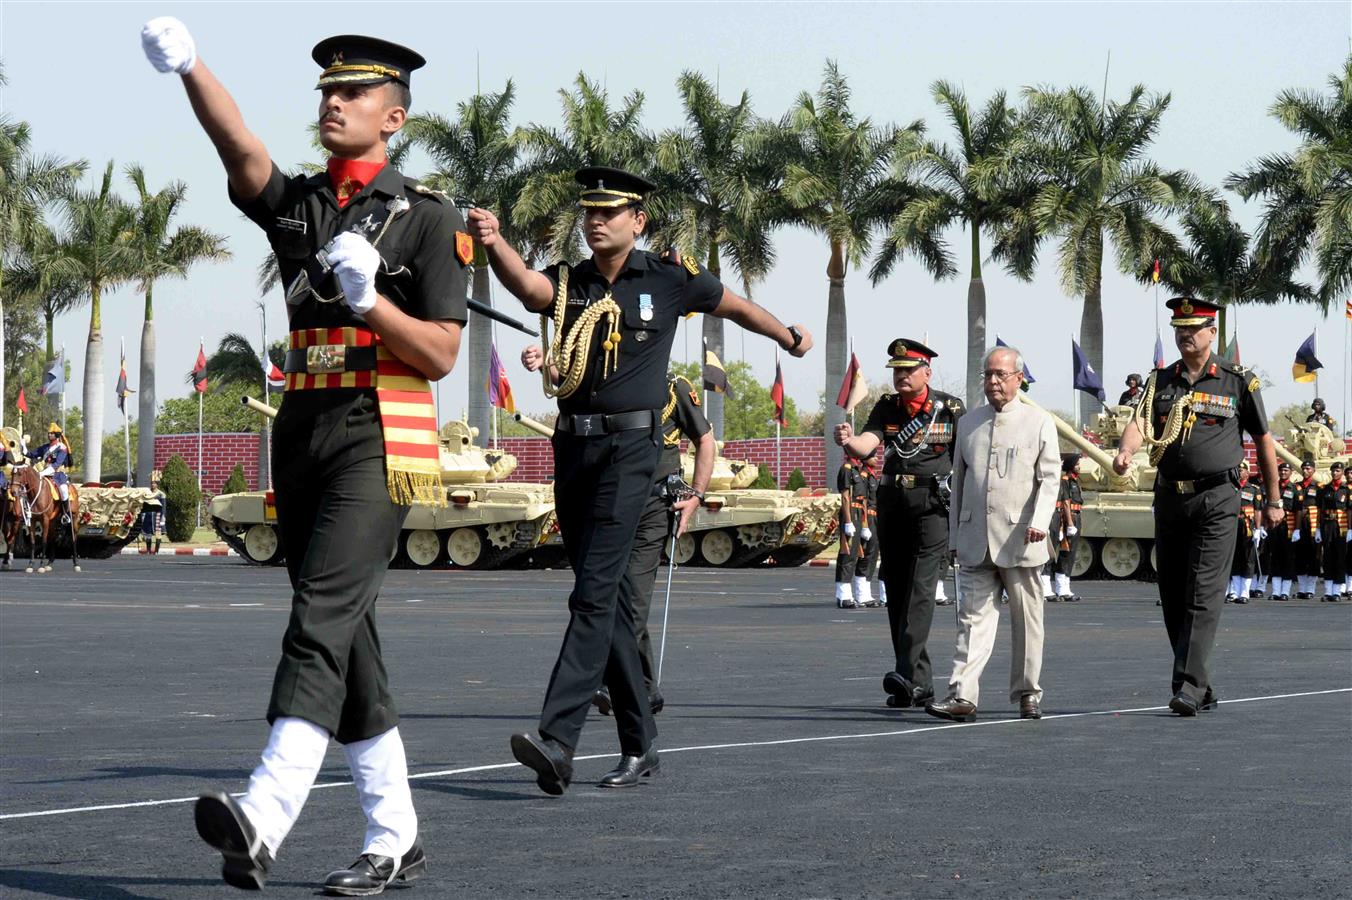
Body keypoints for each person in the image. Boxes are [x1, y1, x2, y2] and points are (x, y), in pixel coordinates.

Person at [144, 20, 468, 893]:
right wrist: (192, 68)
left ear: (392, 117)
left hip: (380, 430)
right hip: (304, 428)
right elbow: (239, 146)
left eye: (351, 92)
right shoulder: (303, 207)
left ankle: (265, 811)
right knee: (349, 636)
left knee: (322, 614)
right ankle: (395, 834)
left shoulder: (430, 219)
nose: (331, 102)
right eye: (326, 90)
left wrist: (372, 304)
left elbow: (439, 354)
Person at [470, 166, 811, 795]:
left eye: (608, 213)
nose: (595, 221)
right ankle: (640, 744)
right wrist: (493, 244)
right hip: (574, 448)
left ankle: (558, 740)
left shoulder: (669, 276)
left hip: (634, 451)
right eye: (587, 213)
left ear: (638, 220)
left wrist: (788, 336)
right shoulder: (570, 281)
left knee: (595, 593)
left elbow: (734, 306)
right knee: (610, 605)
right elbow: (527, 290)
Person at [522, 344, 717, 715]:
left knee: (631, 600)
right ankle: (644, 687)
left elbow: (704, 440)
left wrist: (696, 496)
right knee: (609, 593)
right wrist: (543, 363)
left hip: (654, 506)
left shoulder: (673, 387)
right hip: (610, 502)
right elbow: (567, 386)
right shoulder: (610, 383)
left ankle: (611, 685)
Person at [1112, 297, 1281, 716]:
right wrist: (1124, 451)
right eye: (1179, 329)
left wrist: (1274, 498)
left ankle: (1187, 685)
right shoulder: (1161, 381)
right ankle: (1201, 686)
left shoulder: (1237, 381)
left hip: (1217, 498)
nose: (1186, 335)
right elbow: (1140, 423)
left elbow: (1263, 442)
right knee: (1171, 592)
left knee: (1203, 592)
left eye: (1194, 328)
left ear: (1212, 332)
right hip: (1170, 496)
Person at [926, 345, 1060, 723]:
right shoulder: (969, 422)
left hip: (1022, 538)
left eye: (1001, 374)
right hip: (975, 540)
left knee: (1027, 622)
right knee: (971, 620)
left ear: (1019, 378)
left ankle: (1028, 693)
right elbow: (960, 482)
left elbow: (1050, 479)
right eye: (988, 374)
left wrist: (1040, 520)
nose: (993, 381)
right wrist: (954, 539)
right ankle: (962, 695)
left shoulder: (1038, 421)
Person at [833, 339, 965, 710]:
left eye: (908, 370)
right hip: (892, 502)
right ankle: (918, 683)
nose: (901, 376)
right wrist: (848, 441)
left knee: (922, 591)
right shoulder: (887, 406)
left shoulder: (950, 409)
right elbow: (867, 444)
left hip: (932, 505)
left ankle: (905, 671)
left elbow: (965, 460)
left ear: (927, 371)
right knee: (896, 589)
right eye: (896, 370)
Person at [834, 455, 880, 608]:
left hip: (860, 513)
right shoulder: (846, 469)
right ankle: (843, 595)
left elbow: (864, 501)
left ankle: (862, 595)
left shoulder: (858, 471)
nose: (876, 457)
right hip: (851, 512)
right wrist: (848, 521)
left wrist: (865, 524)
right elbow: (846, 497)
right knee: (847, 553)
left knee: (860, 553)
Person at [1043, 453, 1084, 603]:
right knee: (1050, 553)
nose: (1080, 466)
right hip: (1063, 517)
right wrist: (1069, 524)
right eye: (1077, 463)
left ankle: (1063, 588)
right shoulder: (1065, 480)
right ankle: (1046, 589)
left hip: (1072, 516)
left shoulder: (1074, 481)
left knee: (1069, 554)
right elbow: (1065, 503)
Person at [1226, 460, 1263, 604]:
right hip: (1233, 524)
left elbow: (1258, 510)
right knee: (1234, 557)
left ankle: (1245, 592)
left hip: (1248, 526)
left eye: (1242, 470)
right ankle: (1234, 591)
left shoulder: (1254, 489)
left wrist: (1258, 530)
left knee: (1248, 558)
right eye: (1238, 470)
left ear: (1247, 472)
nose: (1240, 472)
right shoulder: (1231, 487)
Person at [25, 424, 74, 523]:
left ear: (56, 435)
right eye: (49, 433)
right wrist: (23, 446)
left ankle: (66, 514)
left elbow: (57, 464)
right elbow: (31, 454)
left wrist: (42, 473)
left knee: (64, 491)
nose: (49, 435)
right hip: (45, 475)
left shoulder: (62, 448)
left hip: (58, 475)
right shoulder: (45, 447)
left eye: (51, 433)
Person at [1317, 460, 1350, 601]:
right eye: (1333, 470)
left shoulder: (1347, 490)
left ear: (1342, 473)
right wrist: (1318, 528)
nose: (1334, 473)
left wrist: (1350, 529)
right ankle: (1328, 591)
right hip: (1327, 525)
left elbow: (1349, 510)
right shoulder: (1324, 489)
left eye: (1337, 471)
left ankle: (1337, 591)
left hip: (1341, 526)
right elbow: (1320, 510)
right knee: (1328, 557)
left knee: (1340, 558)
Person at [1292, 458, 1323, 599]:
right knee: (1300, 555)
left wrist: (1319, 528)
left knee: (1313, 556)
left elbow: (1322, 508)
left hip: (1312, 524)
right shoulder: (1295, 487)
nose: (1305, 471)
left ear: (1313, 471)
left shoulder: (1319, 487)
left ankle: (1310, 589)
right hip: (1298, 524)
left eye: (1308, 469)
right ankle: (1302, 589)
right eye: (1303, 468)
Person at [1266, 461, 1296, 601]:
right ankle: (1276, 591)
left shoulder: (1295, 489)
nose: (1283, 473)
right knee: (1275, 557)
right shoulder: (1273, 488)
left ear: (1291, 473)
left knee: (1287, 558)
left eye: (1286, 471)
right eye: (1281, 470)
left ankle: (1285, 591)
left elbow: (1299, 510)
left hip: (1288, 526)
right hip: (1274, 526)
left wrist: (1297, 529)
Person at [141, 477, 167, 555]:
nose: (152, 484)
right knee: (147, 535)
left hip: (157, 515)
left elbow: (163, 507)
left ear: (157, 485)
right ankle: (148, 550)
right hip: (148, 515)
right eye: (152, 483)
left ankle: (156, 551)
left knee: (158, 534)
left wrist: (163, 518)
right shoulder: (147, 493)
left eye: (154, 483)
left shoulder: (161, 494)